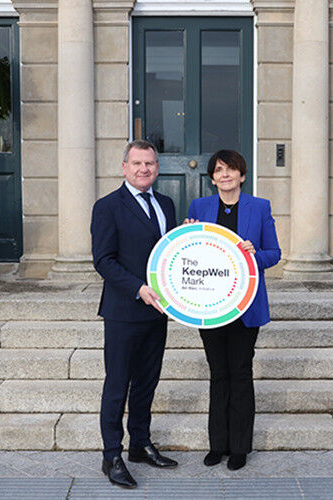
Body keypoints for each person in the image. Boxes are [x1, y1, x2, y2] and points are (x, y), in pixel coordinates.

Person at [185, 149, 281, 471]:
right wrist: (184, 236)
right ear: (212, 178)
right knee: (218, 372)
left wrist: (254, 255)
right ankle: (218, 445)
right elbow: (191, 254)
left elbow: (274, 253)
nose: (224, 175)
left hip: (245, 306)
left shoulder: (260, 207)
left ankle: (239, 447)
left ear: (242, 175)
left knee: (240, 372)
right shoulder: (199, 207)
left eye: (230, 169)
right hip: (210, 305)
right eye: (218, 170)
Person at [90, 140, 178, 489]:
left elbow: (170, 252)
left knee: (147, 382)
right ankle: (111, 455)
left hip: (157, 312)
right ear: (124, 167)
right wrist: (138, 288)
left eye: (150, 163)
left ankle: (140, 444)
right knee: (118, 384)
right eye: (138, 163)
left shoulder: (166, 204)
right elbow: (103, 260)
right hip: (124, 310)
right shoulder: (107, 206)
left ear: (157, 168)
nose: (144, 169)